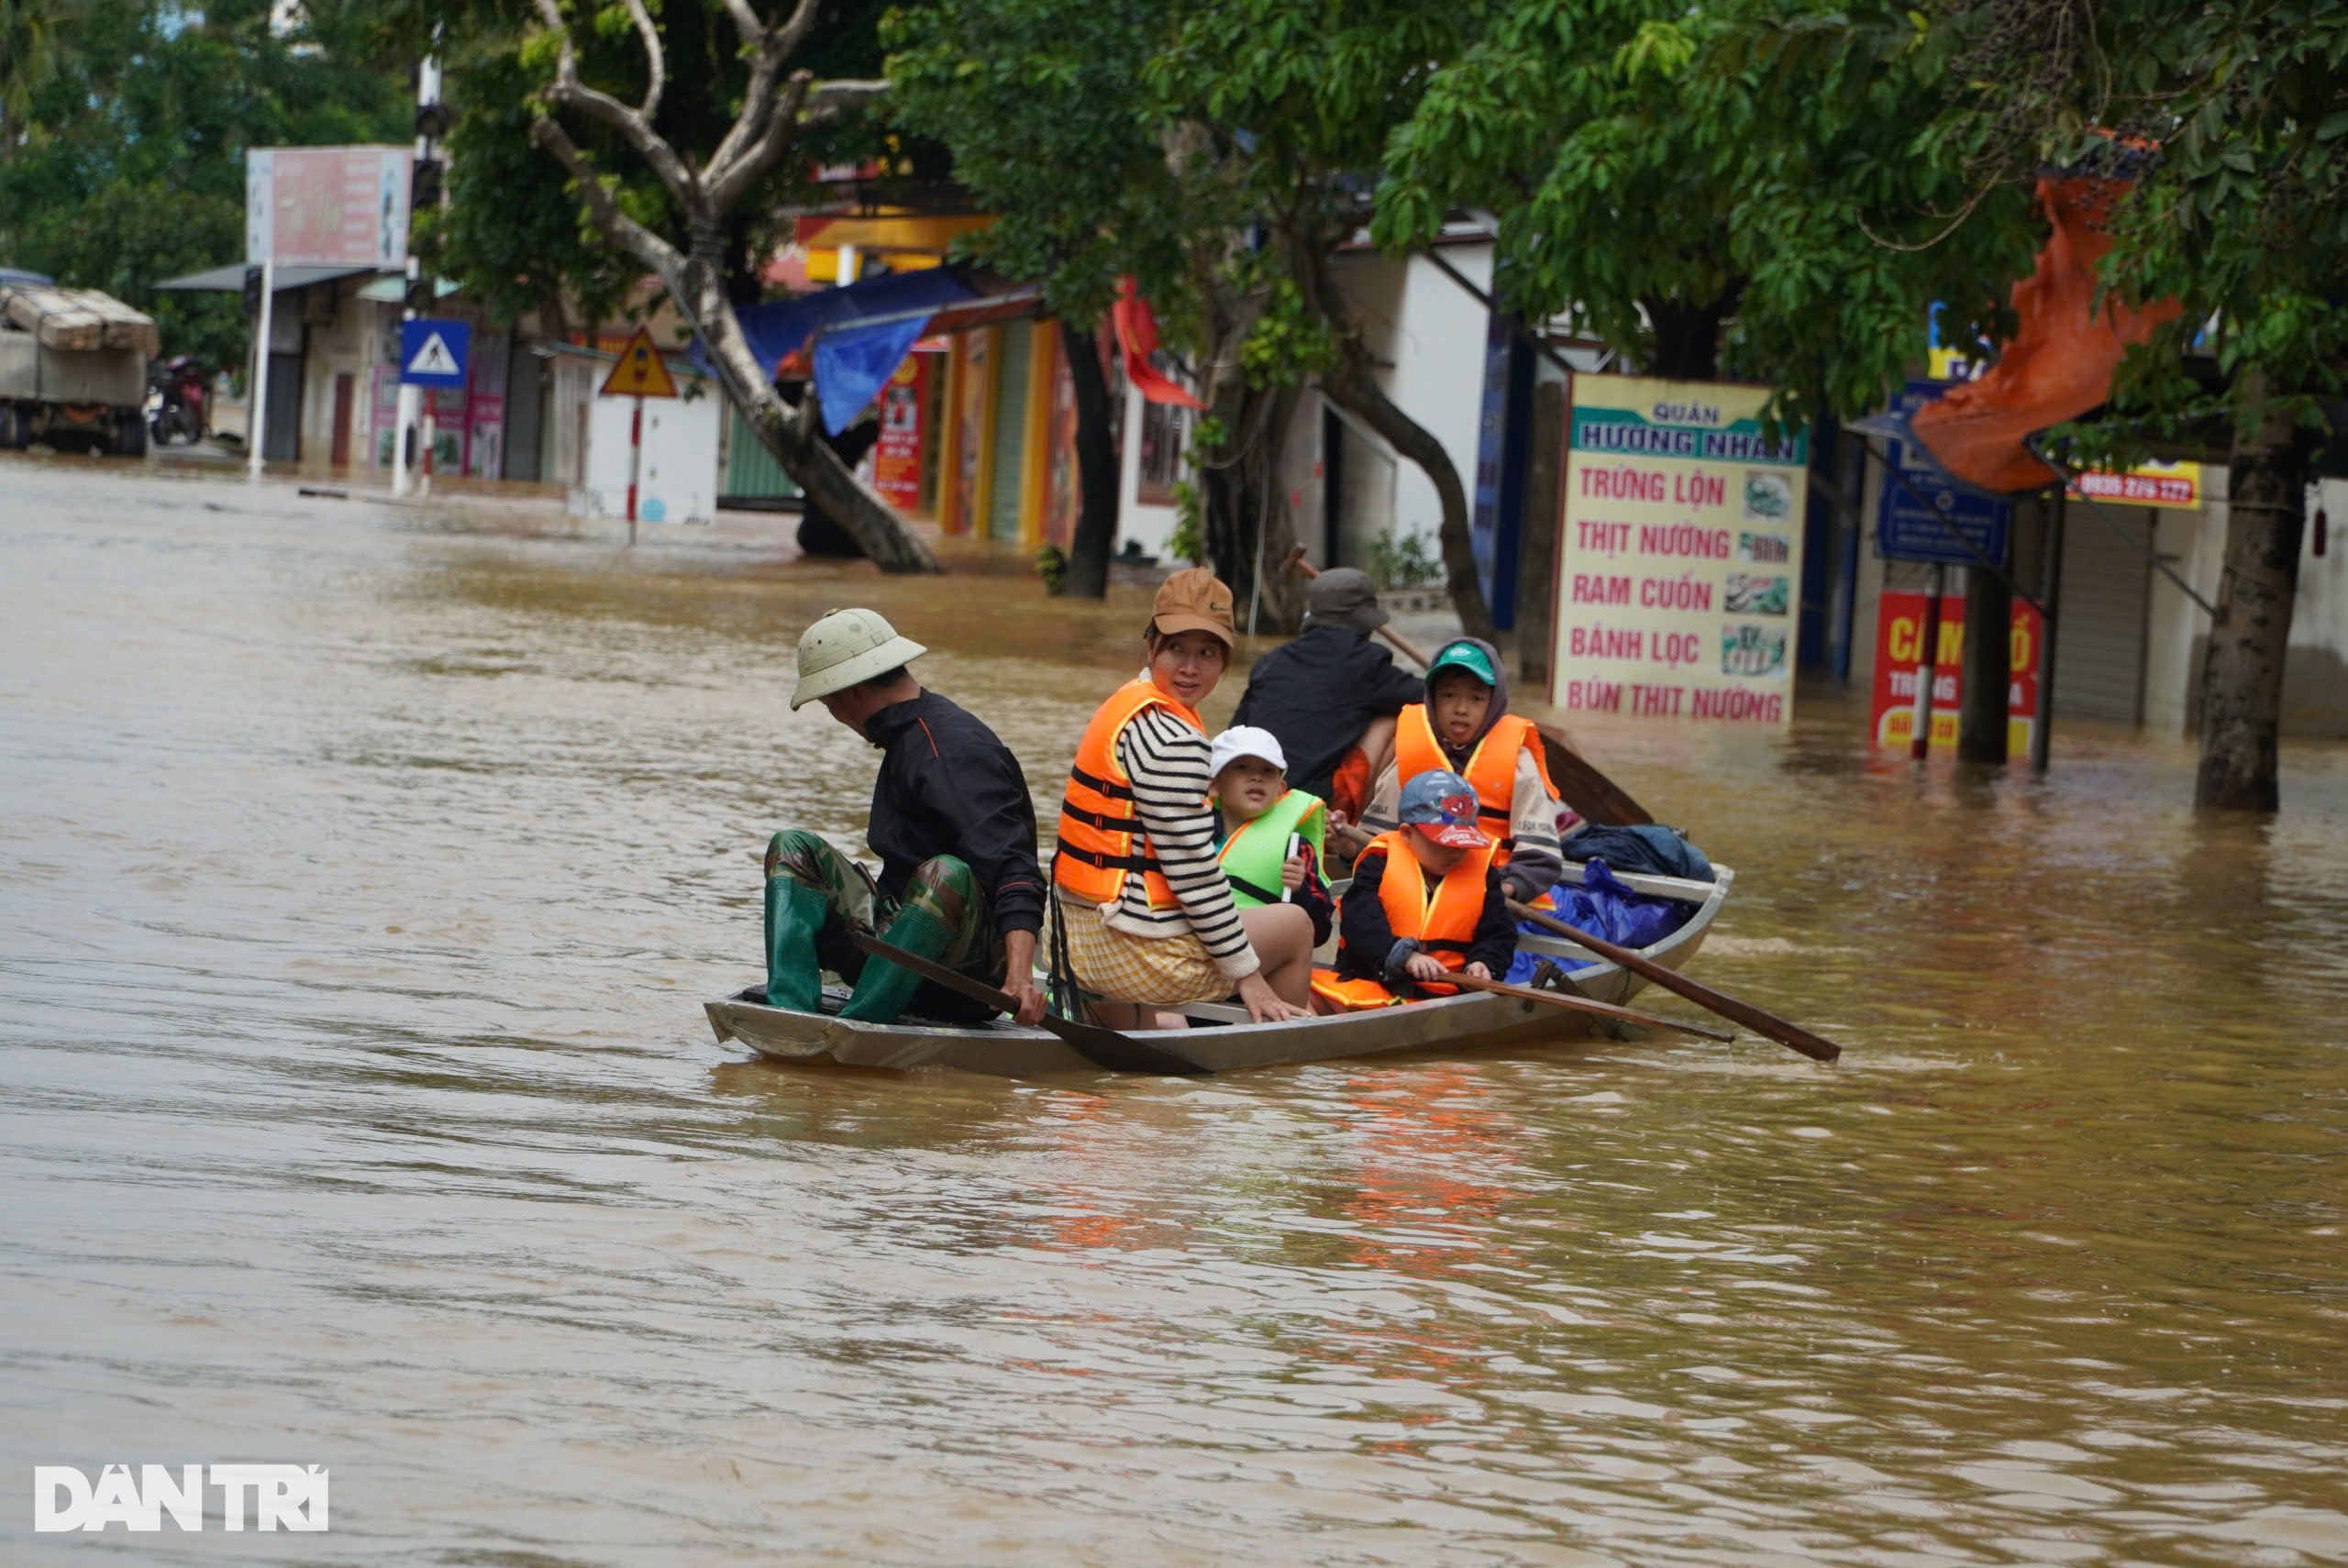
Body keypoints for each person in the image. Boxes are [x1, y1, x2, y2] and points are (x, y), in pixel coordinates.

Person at [761, 608, 1047, 1026]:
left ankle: (862, 1023)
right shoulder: (905, 738)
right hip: (898, 942)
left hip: (961, 977)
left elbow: (1016, 872)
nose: (835, 717)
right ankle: (789, 1014)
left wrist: (1020, 980)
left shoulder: (951, 749)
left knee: (945, 872)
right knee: (792, 847)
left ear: (848, 693)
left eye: (827, 704)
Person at [1053, 569, 1313, 1028]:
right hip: (1128, 955)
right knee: (1295, 925)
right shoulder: (1174, 739)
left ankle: (1160, 1034)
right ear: (1151, 644)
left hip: (1074, 939)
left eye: (1206, 652)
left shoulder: (1129, 701)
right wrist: (1249, 975)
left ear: (1225, 662)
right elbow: (1193, 871)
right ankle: (1274, 1062)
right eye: (1177, 648)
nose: (1190, 667)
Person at [1357, 637, 1566, 906]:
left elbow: (1540, 856)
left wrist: (1508, 888)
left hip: (1491, 893)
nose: (1461, 709)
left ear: (1494, 702)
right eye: (1448, 696)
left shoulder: (1519, 763)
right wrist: (1346, 846)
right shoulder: (1411, 752)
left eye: (1476, 698)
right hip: (1414, 892)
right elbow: (1374, 841)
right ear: (1431, 699)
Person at [1312, 769, 1519, 1012]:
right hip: (1374, 984)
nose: (1455, 852)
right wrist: (1404, 956)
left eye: (1463, 843)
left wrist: (1484, 962)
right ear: (1407, 834)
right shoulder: (1379, 862)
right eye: (1443, 842)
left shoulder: (1483, 873)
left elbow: (1498, 931)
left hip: (1448, 996)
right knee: (1310, 996)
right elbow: (1360, 921)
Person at [1231, 567, 1423, 822]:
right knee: (1402, 717)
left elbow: (1234, 733)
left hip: (1245, 798)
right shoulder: (1367, 662)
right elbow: (1434, 697)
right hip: (1312, 804)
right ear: (1365, 624)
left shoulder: (1270, 662)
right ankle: (1360, 823)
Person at [1207, 724, 1335, 947]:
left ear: (1281, 789)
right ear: (1214, 785)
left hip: (1259, 953)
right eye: (1242, 767)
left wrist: (1299, 890)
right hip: (1193, 945)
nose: (1256, 777)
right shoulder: (1192, 834)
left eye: (1268, 770)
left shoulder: (1295, 849)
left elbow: (1320, 933)